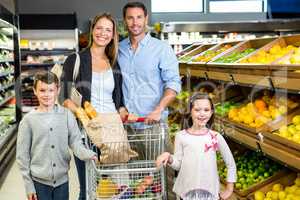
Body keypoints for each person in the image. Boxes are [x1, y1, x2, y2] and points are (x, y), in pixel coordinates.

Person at [61, 13, 127, 200]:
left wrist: (122, 111)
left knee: (110, 188)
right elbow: (64, 97)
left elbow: (119, 100)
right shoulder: (75, 60)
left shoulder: (114, 62)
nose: (103, 33)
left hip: (112, 132)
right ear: (92, 30)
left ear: (113, 34)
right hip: (85, 131)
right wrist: (82, 114)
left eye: (108, 30)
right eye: (99, 28)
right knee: (88, 187)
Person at [16, 71, 97, 200]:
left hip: (62, 182)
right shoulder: (28, 121)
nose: (47, 95)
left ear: (58, 90)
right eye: (42, 90)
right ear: (35, 91)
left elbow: (76, 143)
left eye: (51, 90)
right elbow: (22, 157)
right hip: (39, 183)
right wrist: (28, 186)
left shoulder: (67, 115)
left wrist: (88, 154)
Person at [156, 93, 237, 200]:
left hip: (209, 193)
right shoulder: (181, 136)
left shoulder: (215, 137)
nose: (202, 114)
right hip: (187, 193)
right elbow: (179, 165)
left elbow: (230, 164)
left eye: (206, 110)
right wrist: (170, 158)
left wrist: (229, 188)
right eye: (197, 110)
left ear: (212, 112)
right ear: (190, 112)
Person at [118, 2, 181, 125]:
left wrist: (159, 110)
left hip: (153, 125)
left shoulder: (162, 48)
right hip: (125, 125)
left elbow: (173, 83)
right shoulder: (118, 49)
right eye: (130, 18)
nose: (135, 23)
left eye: (139, 17)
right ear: (125, 21)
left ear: (146, 19)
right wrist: (120, 108)